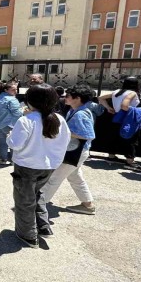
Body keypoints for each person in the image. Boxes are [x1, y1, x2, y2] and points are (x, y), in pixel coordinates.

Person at [7, 84, 71, 248]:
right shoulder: (60, 119)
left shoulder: (26, 120)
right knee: (38, 194)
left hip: (27, 166)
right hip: (49, 166)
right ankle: (43, 225)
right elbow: (65, 141)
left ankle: (28, 234)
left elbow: (15, 144)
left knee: (24, 200)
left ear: (29, 100)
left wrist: (9, 136)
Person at [40, 85, 97, 216]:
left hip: (75, 152)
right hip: (76, 151)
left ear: (78, 98)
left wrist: (64, 133)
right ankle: (87, 204)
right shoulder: (75, 110)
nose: (65, 97)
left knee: (54, 178)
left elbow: (89, 135)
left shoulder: (80, 114)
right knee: (75, 177)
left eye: (68, 95)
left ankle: (37, 206)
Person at [99, 77, 141, 173]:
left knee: (114, 137)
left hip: (116, 117)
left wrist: (108, 108)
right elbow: (124, 105)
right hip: (128, 118)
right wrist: (138, 110)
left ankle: (111, 156)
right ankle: (130, 162)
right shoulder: (132, 93)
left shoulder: (117, 91)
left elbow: (100, 98)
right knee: (130, 139)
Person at [0, 82, 22, 164]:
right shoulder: (12, 99)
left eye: (16, 89)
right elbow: (17, 114)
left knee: (2, 142)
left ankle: (3, 159)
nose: (16, 91)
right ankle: (13, 160)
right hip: (9, 124)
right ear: (6, 90)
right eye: (13, 89)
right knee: (13, 142)